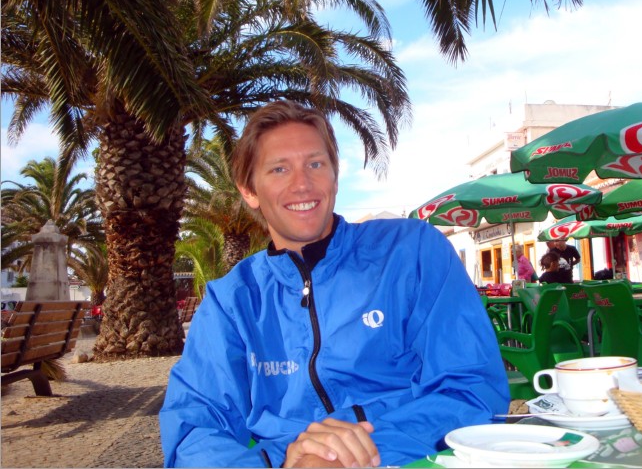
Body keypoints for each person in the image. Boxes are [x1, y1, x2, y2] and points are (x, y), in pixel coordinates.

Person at [159, 101, 509, 468]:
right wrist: (284, 463)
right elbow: (192, 427)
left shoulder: (412, 252)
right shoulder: (231, 301)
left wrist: (343, 452)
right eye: (279, 169)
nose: (302, 184)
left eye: (315, 164)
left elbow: (473, 387)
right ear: (249, 190)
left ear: (335, 176)